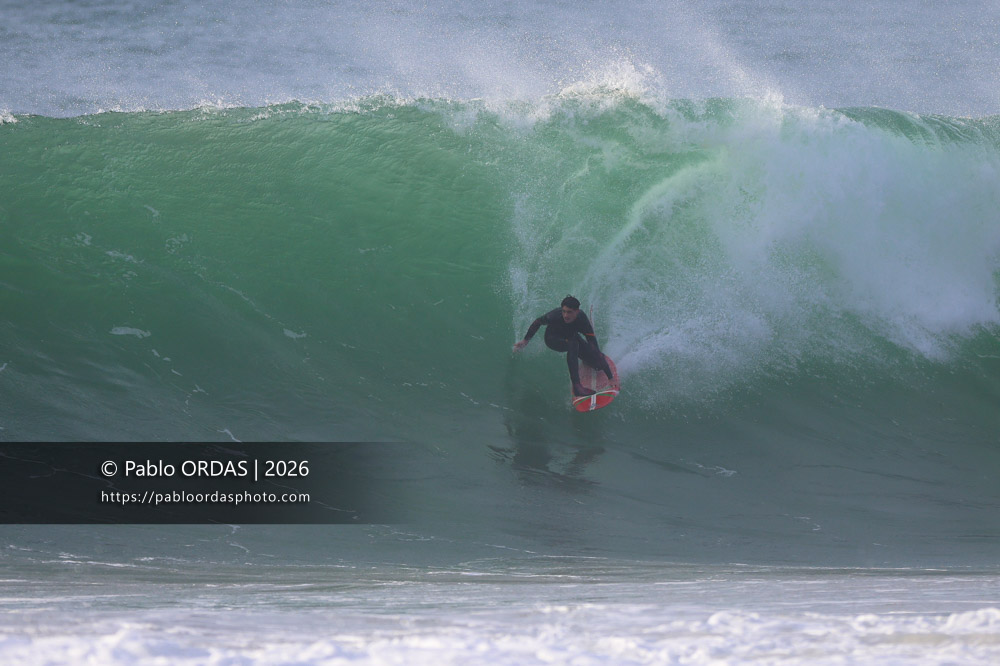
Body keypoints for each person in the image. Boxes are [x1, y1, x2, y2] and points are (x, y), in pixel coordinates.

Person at [513, 295, 614, 396]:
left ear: (577, 312)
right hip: (553, 339)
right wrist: (526, 340)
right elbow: (538, 322)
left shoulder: (582, 319)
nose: (565, 315)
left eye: (569, 312)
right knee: (573, 344)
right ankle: (577, 387)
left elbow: (593, 346)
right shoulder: (554, 316)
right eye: (564, 311)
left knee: (598, 365)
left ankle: (587, 360)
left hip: (572, 337)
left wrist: (610, 377)